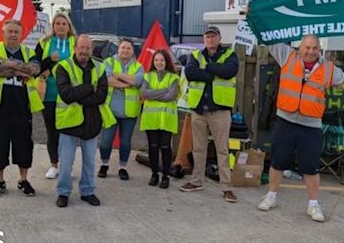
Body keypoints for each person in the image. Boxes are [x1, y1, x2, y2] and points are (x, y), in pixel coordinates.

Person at [257, 35, 344, 222]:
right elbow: (266, 34)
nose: (310, 51)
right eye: (307, 47)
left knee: (310, 168)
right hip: (285, 122)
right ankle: (271, 196)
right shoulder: (286, 55)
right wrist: (252, 15)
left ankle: (313, 204)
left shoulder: (329, 70)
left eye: (314, 48)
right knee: (278, 162)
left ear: (319, 49)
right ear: (300, 47)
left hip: (311, 126)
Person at [179, 26, 239, 203]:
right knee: (198, 148)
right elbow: (190, 73)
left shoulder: (230, 54)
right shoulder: (196, 55)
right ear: (204, 39)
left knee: (222, 150)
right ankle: (196, 181)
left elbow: (229, 72)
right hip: (199, 110)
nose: (210, 40)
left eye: (213, 36)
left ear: (219, 38)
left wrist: (207, 68)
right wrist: (212, 73)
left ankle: (227, 188)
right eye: (207, 37)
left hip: (220, 111)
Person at [54, 34, 116, 207]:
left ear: (91, 49)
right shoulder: (63, 67)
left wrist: (79, 95)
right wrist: (89, 88)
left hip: (91, 121)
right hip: (68, 123)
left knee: (89, 162)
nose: (84, 51)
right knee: (65, 163)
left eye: (87, 48)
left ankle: (88, 191)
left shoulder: (99, 66)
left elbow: (102, 96)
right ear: (75, 48)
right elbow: (66, 95)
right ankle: (63, 193)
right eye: (81, 47)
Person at [0, 19, 43, 197]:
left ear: (21, 34)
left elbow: (34, 69)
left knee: (24, 144)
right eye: (9, 31)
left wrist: (8, 65)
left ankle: (23, 180)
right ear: (3, 33)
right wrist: (20, 70)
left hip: (22, 105)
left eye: (16, 32)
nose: (12, 35)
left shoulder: (28, 51)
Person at [35, 13, 76, 179]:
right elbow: (35, 66)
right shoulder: (44, 42)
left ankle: (67, 165)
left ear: (69, 26)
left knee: (69, 131)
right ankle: (54, 165)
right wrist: (49, 61)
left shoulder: (75, 43)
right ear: (53, 26)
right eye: (57, 23)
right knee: (52, 131)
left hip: (69, 95)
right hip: (49, 94)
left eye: (64, 23)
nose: (60, 26)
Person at [98, 38, 144, 180]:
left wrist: (118, 76)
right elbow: (107, 80)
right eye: (123, 47)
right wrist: (127, 84)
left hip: (129, 112)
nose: (125, 50)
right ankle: (104, 164)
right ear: (118, 49)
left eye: (128, 48)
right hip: (109, 110)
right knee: (105, 141)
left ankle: (122, 167)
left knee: (125, 142)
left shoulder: (138, 66)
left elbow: (138, 81)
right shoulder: (108, 62)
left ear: (132, 51)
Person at [140, 49, 180, 189]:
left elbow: (171, 96)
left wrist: (154, 94)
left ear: (166, 61)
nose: (159, 63)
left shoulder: (173, 78)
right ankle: (154, 173)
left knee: (165, 147)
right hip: (151, 118)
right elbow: (144, 93)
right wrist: (164, 90)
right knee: (153, 147)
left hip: (166, 119)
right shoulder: (148, 76)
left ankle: (165, 176)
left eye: (161, 60)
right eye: (156, 60)